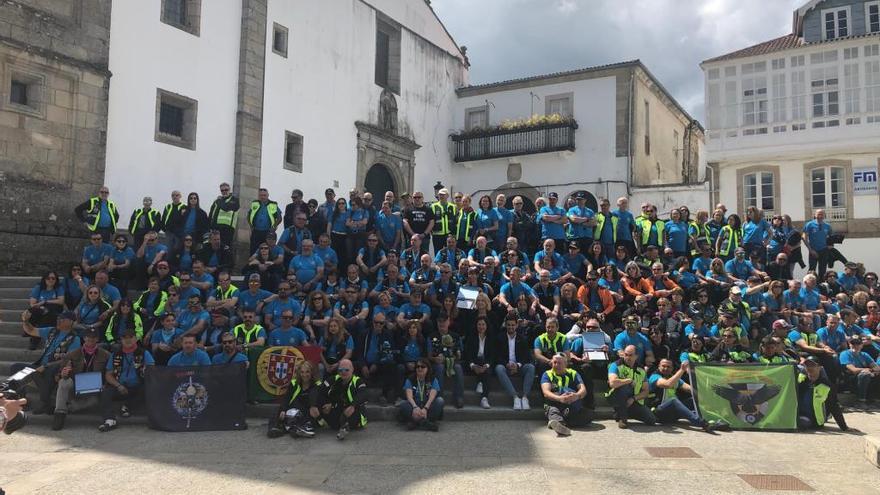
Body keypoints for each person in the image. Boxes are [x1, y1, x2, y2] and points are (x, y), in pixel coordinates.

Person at [13, 310, 82, 414]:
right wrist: (26, 321)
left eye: (62, 319)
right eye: (59, 318)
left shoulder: (75, 339)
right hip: (40, 366)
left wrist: (46, 366)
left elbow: (69, 359)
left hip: (55, 368)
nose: (59, 320)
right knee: (15, 367)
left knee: (42, 371)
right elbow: (31, 331)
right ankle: (22, 401)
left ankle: (45, 402)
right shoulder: (51, 331)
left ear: (71, 322)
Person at [51, 328, 110, 430]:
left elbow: (109, 373)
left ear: (97, 339)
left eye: (94, 337)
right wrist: (63, 374)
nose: (90, 339)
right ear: (84, 338)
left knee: (96, 399)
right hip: (76, 384)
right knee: (64, 382)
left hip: (94, 387)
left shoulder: (106, 355)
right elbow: (58, 375)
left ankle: (71, 407)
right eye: (88, 337)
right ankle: (59, 414)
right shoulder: (72, 354)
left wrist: (104, 383)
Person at [99, 329, 155, 432]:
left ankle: (128, 406)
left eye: (131, 337)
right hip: (120, 387)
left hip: (137, 387)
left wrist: (146, 370)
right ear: (121, 340)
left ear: (136, 338)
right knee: (106, 391)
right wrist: (118, 385)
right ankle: (110, 420)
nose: (128, 340)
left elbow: (152, 370)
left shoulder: (144, 353)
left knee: (148, 388)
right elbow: (108, 374)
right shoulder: (115, 354)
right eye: (125, 338)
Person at [648, 359, 717, 431]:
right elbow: (667, 384)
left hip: (672, 413)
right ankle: (703, 424)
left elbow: (691, 389)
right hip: (659, 413)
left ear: (672, 368)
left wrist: (705, 393)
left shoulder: (674, 378)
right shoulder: (654, 376)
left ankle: (715, 421)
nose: (665, 368)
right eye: (663, 366)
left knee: (694, 399)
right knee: (673, 401)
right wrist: (682, 370)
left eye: (668, 367)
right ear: (659, 366)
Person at [541, 352, 592, 436]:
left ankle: (561, 423)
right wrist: (559, 398)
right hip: (555, 403)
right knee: (553, 411)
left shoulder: (573, 373)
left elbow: (583, 390)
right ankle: (560, 424)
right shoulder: (547, 374)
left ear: (566, 364)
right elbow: (546, 392)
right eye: (554, 362)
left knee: (588, 415)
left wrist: (576, 396)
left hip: (571, 403)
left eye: (559, 363)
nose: (556, 365)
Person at [269, 361, 323, 439]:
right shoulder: (294, 383)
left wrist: (317, 414)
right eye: (302, 372)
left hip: (307, 411)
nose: (305, 375)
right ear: (299, 373)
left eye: (307, 372)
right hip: (292, 409)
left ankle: (295, 429)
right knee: (277, 410)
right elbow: (286, 398)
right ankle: (274, 429)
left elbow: (318, 402)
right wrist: (283, 410)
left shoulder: (318, 385)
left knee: (307, 416)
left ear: (312, 373)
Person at [606, 344, 656, 428]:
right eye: (626, 354)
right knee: (625, 386)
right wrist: (628, 381)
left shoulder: (641, 369)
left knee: (651, 420)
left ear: (636, 356)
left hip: (632, 400)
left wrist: (633, 399)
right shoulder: (615, 365)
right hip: (616, 397)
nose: (627, 357)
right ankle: (623, 418)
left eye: (630, 355)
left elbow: (645, 391)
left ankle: (622, 412)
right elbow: (612, 383)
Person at [495, 314, 536, 410]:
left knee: (531, 367)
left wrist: (517, 365)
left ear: (517, 325)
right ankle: (515, 397)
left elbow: (527, 357)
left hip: (519, 367)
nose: (510, 327)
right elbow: (497, 356)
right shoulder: (500, 338)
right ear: (505, 325)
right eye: (508, 325)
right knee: (499, 368)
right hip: (506, 366)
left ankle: (525, 398)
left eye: (513, 325)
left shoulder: (522, 339)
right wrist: (507, 364)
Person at [797, 357, 847, 431]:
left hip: (813, 420)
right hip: (797, 414)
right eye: (807, 365)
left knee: (800, 423)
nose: (809, 367)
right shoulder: (799, 380)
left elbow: (834, 407)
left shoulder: (827, 386)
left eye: (813, 365)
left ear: (820, 368)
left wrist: (844, 427)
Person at [321, 358, 367, 440]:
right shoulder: (334, 379)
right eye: (341, 370)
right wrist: (327, 403)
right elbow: (321, 390)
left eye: (346, 370)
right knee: (323, 407)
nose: (343, 372)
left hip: (355, 411)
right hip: (339, 408)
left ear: (352, 369)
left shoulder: (358, 381)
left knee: (352, 412)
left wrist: (353, 405)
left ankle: (345, 427)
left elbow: (363, 394)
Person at [428, 314, 464, 408]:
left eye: (444, 321)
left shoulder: (455, 336)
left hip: (452, 361)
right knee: (440, 367)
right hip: (438, 363)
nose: (442, 323)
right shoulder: (431, 336)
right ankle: (439, 397)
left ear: (448, 322)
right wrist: (435, 358)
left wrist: (457, 355)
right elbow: (429, 355)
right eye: (439, 321)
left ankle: (459, 397)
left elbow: (460, 353)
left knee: (458, 368)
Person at [399, 357, 443, 431]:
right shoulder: (410, 379)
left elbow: (432, 396)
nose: (420, 368)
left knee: (440, 401)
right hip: (415, 404)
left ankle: (416, 422)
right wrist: (415, 407)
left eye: (422, 367)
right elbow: (409, 396)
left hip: (427, 404)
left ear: (428, 368)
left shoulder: (432, 379)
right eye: (417, 367)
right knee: (403, 403)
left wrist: (425, 408)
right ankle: (425, 423)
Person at [839, 336, 880, 407]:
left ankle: (875, 399)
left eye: (858, 344)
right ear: (849, 344)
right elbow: (853, 370)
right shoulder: (845, 354)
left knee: (874, 374)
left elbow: (876, 367)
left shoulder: (865, 354)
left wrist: (871, 371)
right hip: (850, 379)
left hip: (865, 375)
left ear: (862, 345)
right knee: (864, 374)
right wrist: (868, 370)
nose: (855, 346)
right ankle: (861, 401)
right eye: (853, 344)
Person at [464, 316, 494, 408]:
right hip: (473, 363)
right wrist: (473, 366)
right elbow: (467, 354)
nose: (481, 327)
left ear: (487, 326)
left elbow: (493, 355)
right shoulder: (471, 337)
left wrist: (486, 366)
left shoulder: (491, 338)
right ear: (476, 326)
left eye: (483, 324)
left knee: (487, 372)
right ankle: (480, 382)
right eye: (479, 324)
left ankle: (484, 398)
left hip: (486, 364)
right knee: (480, 360)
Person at [248, 188, 282, 255]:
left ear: (268, 195)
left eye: (264, 195)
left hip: (267, 231)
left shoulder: (273, 204)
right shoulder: (255, 203)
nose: (262, 197)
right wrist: (251, 226)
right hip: (256, 231)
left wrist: (274, 226)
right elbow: (248, 216)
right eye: (261, 195)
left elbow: (279, 218)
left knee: (266, 250)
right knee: (253, 250)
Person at [402, 191, 435, 255]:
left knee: (424, 256)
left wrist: (424, 234)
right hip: (412, 238)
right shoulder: (407, 209)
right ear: (412, 198)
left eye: (419, 197)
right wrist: (413, 234)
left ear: (423, 198)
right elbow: (405, 222)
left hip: (424, 238)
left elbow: (431, 222)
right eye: (415, 197)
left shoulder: (428, 209)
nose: (417, 199)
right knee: (411, 256)